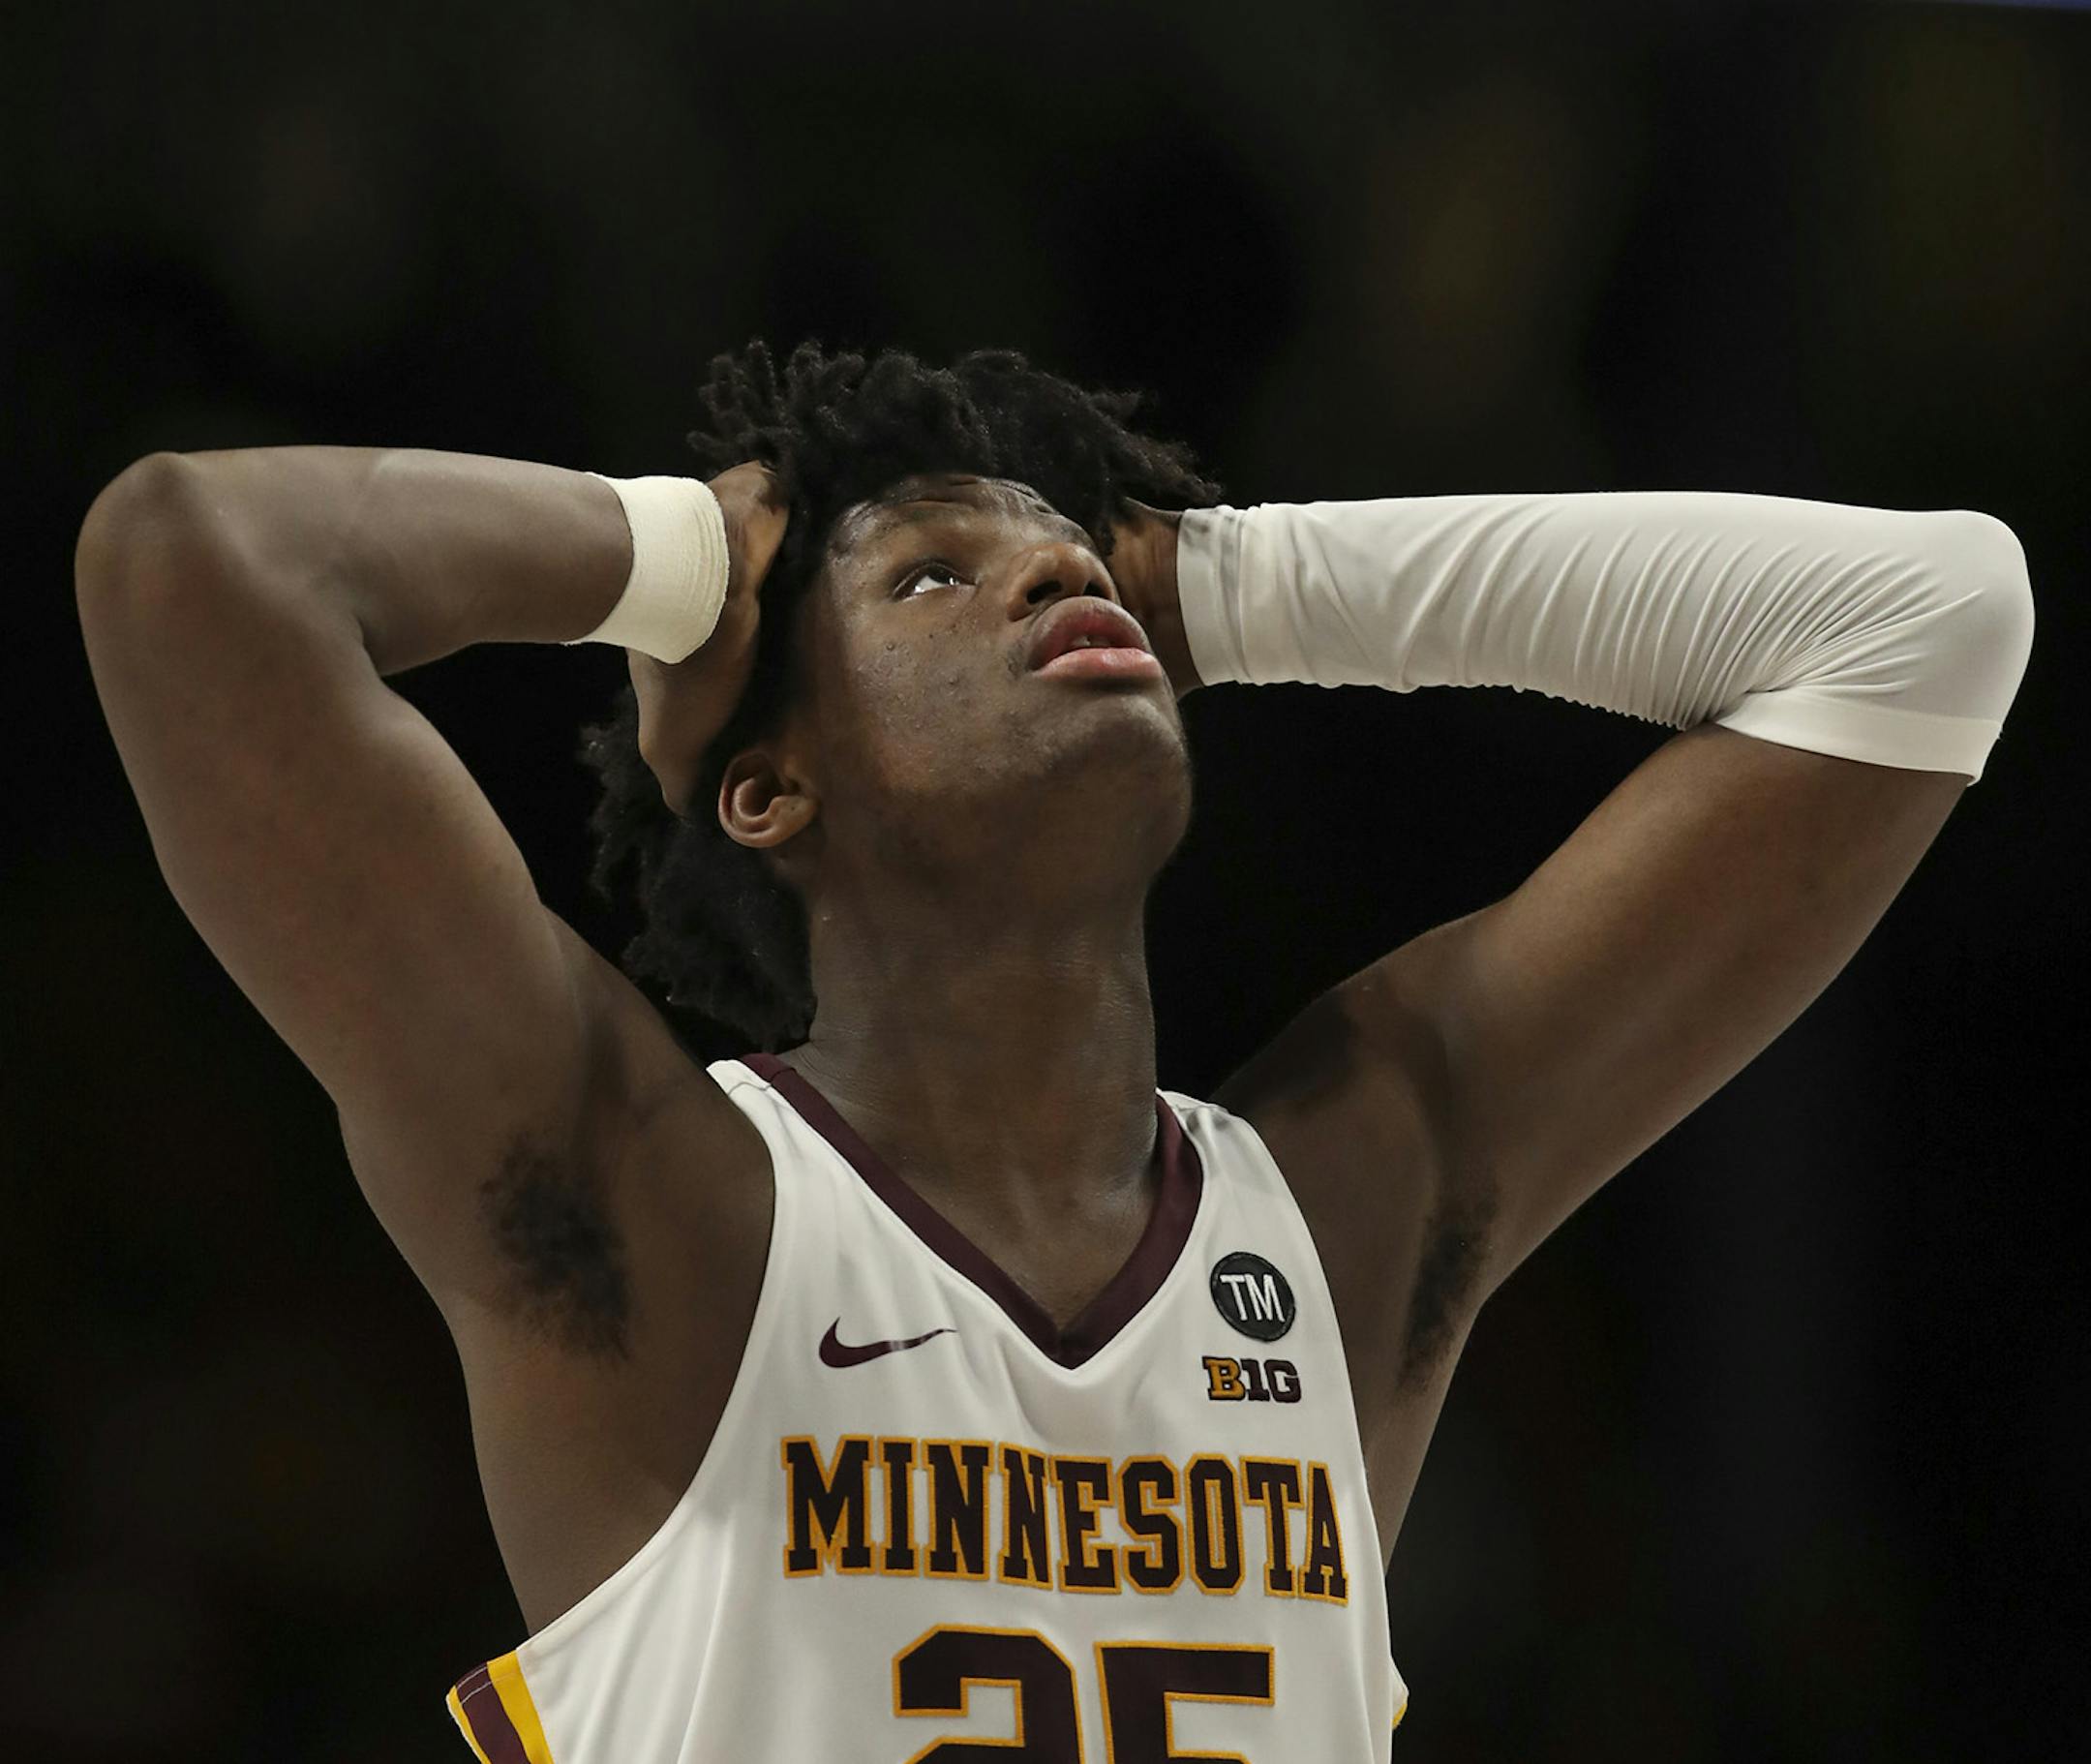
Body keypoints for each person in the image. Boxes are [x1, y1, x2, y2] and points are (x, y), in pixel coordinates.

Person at [74, 342, 2033, 1762]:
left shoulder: (1348, 1192)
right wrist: (680, 554)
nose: (1053, 575)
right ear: (766, 789)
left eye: (1075, 561)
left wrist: (1226, 582)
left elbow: (1934, 615)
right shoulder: (666, 1219)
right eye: (933, 573)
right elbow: (192, 564)